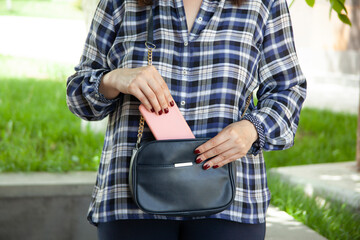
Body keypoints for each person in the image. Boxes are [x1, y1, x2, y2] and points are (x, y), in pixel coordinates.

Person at [66, 0, 306, 239]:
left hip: (233, 201)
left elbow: (288, 90)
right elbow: (78, 96)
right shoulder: (120, 3)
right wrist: (114, 79)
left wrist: (253, 129)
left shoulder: (265, 4)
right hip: (129, 199)